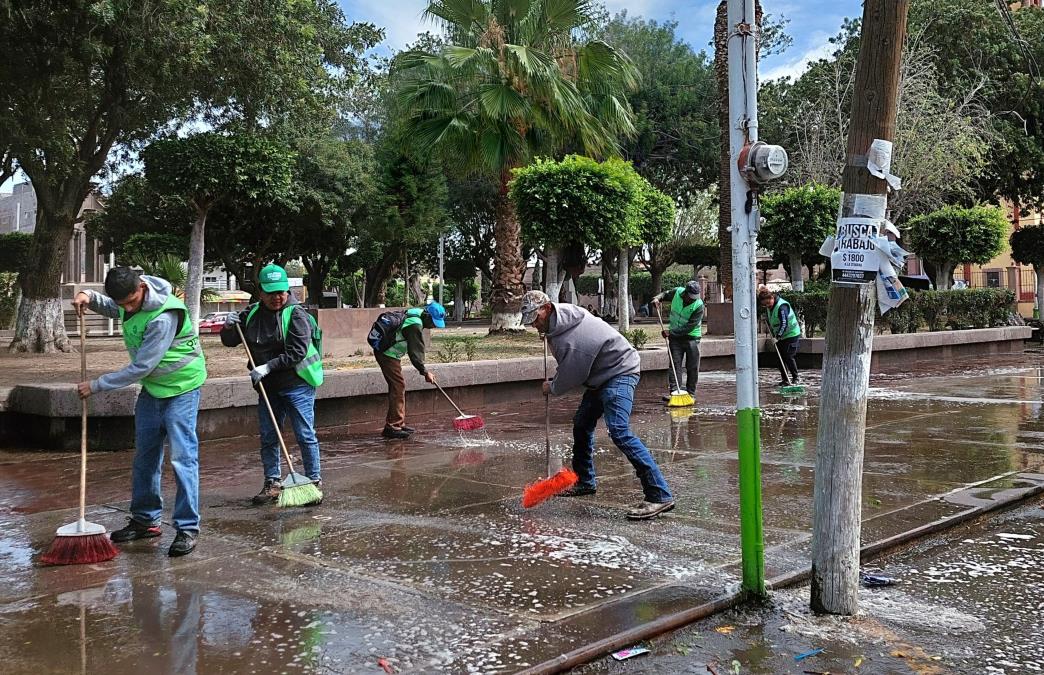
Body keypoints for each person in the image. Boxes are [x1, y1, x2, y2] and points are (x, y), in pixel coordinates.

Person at [72, 268, 207, 557]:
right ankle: (145, 520)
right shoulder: (126, 302)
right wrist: (89, 297)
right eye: (124, 304)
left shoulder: (163, 315)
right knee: (145, 457)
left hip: (182, 388)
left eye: (132, 301)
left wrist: (96, 385)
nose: (128, 308)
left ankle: (187, 527)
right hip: (154, 390)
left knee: (183, 458)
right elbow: (113, 307)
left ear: (142, 286)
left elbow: (142, 366)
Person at [520, 290, 675, 520]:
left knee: (619, 431)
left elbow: (573, 373)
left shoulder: (572, 338)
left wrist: (551, 387)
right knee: (582, 424)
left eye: (536, 318)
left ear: (548, 309)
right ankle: (585, 481)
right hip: (600, 375)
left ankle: (659, 494)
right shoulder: (559, 323)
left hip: (620, 372)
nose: (534, 325)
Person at [220, 264, 325, 505]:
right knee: (269, 435)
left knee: (304, 434)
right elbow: (230, 341)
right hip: (267, 388)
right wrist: (228, 325)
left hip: (297, 383)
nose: (277, 297)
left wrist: (267, 367)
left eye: (281, 292)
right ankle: (272, 482)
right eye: (271, 293)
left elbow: (297, 352)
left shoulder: (297, 315)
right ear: (261, 293)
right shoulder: (252, 314)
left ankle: (313, 480)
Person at [372, 301, 447, 439]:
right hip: (387, 354)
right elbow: (415, 352)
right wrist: (424, 371)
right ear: (428, 317)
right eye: (433, 322)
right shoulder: (415, 325)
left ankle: (397, 423)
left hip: (390, 354)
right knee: (398, 387)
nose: (433, 326)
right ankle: (393, 426)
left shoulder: (417, 313)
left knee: (397, 387)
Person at [651, 280, 705, 400]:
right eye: (690, 297)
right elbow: (665, 294)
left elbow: (690, 326)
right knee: (675, 365)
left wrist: (671, 333)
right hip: (675, 339)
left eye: (694, 298)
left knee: (692, 366)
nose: (692, 300)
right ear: (685, 293)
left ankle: (690, 394)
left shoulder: (699, 305)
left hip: (692, 338)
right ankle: (675, 393)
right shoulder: (677, 292)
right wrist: (657, 298)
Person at [758, 287, 801, 384]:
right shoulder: (770, 307)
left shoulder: (782, 306)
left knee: (788, 356)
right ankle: (785, 379)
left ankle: (796, 378)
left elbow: (784, 323)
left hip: (791, 334)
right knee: (780, 358)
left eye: (768, 303)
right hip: (781, 336)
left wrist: (777, 337)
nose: (767, 306)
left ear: (772, 298)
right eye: (765, 305)